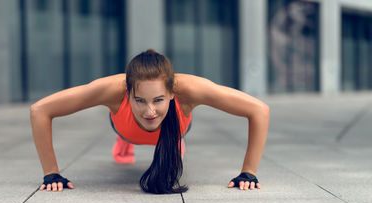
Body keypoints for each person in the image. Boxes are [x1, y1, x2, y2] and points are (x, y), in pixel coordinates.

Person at [30, 49, 270, 194]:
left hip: (175, 127)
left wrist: (248, 172)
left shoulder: (190, 89)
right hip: (125, 129)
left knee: (169, 132)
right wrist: (51, 173)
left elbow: (259, 110)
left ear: (173, 92)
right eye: (140, 100)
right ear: (127, 92)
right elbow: (40, 110)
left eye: (158, 100)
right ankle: (124, 142)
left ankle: (173, 141)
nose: (150, 110)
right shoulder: (111, 89)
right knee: (129, 133)